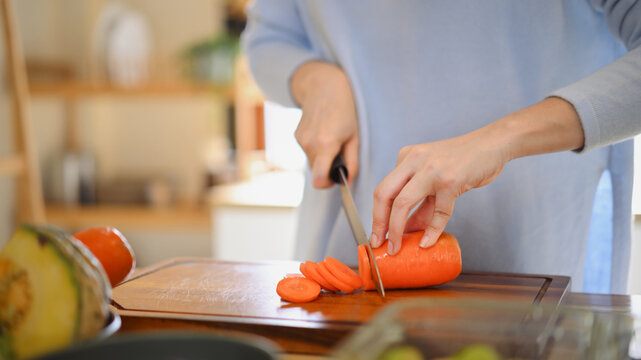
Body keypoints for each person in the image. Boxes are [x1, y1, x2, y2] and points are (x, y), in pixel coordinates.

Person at [242, 1, 641, 293]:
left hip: (536, 256)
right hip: (345, 256)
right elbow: (268, 36)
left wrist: (499, 139)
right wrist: (315, 80)